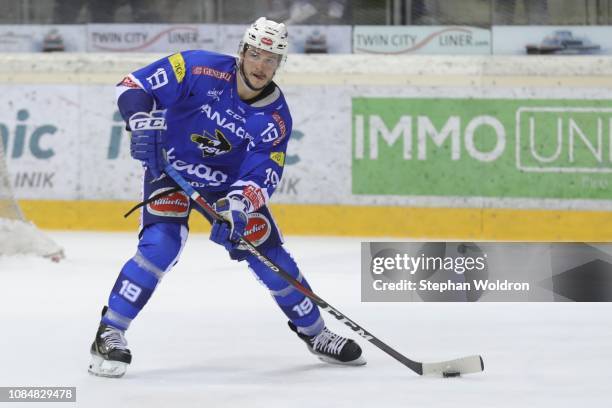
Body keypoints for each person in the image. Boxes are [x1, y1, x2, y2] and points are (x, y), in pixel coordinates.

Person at [88, 17, 365, 378]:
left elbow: (262, 175)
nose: (261, 66)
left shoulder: (275, 118)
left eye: (271, 59)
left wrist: (237, 208)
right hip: (171, 170)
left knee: (267, 252)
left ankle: (316, 333)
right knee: (161, 245)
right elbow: (133, 84)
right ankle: (109, 331)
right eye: (256, 55)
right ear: (242, 51)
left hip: (226, 188)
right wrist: (140, 120)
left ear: (280, 64)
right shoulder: (197, 66)